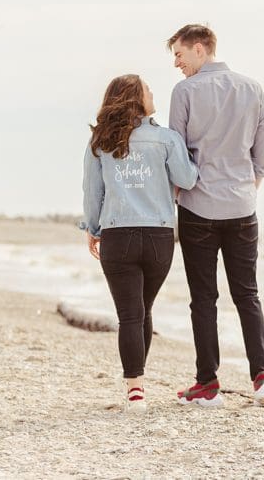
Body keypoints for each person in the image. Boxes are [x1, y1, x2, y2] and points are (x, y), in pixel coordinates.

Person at [166, 23, 264, 407]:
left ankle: (208, 384)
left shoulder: (184, 92)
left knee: (204, 299)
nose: (177, 64)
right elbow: (261, 157)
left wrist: (180, 195)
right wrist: (245, 191)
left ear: (200, 48)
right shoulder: (252, 89)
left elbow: (176, 157)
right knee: (248, 294)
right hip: (243, 207)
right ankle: (262, 379)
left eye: (179, 54)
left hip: (197, 207)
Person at [81, 74, 198, 412]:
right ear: (136, 98)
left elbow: (92, 193)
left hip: (118, 236)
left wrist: (92, 228)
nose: (152, 93)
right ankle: (137, 382)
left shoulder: (99, 142)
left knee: (130, 315)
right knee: (143, 310)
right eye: (147, 89)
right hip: (159, 236)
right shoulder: (165, 139)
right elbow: (188, 179)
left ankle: (135, 390)